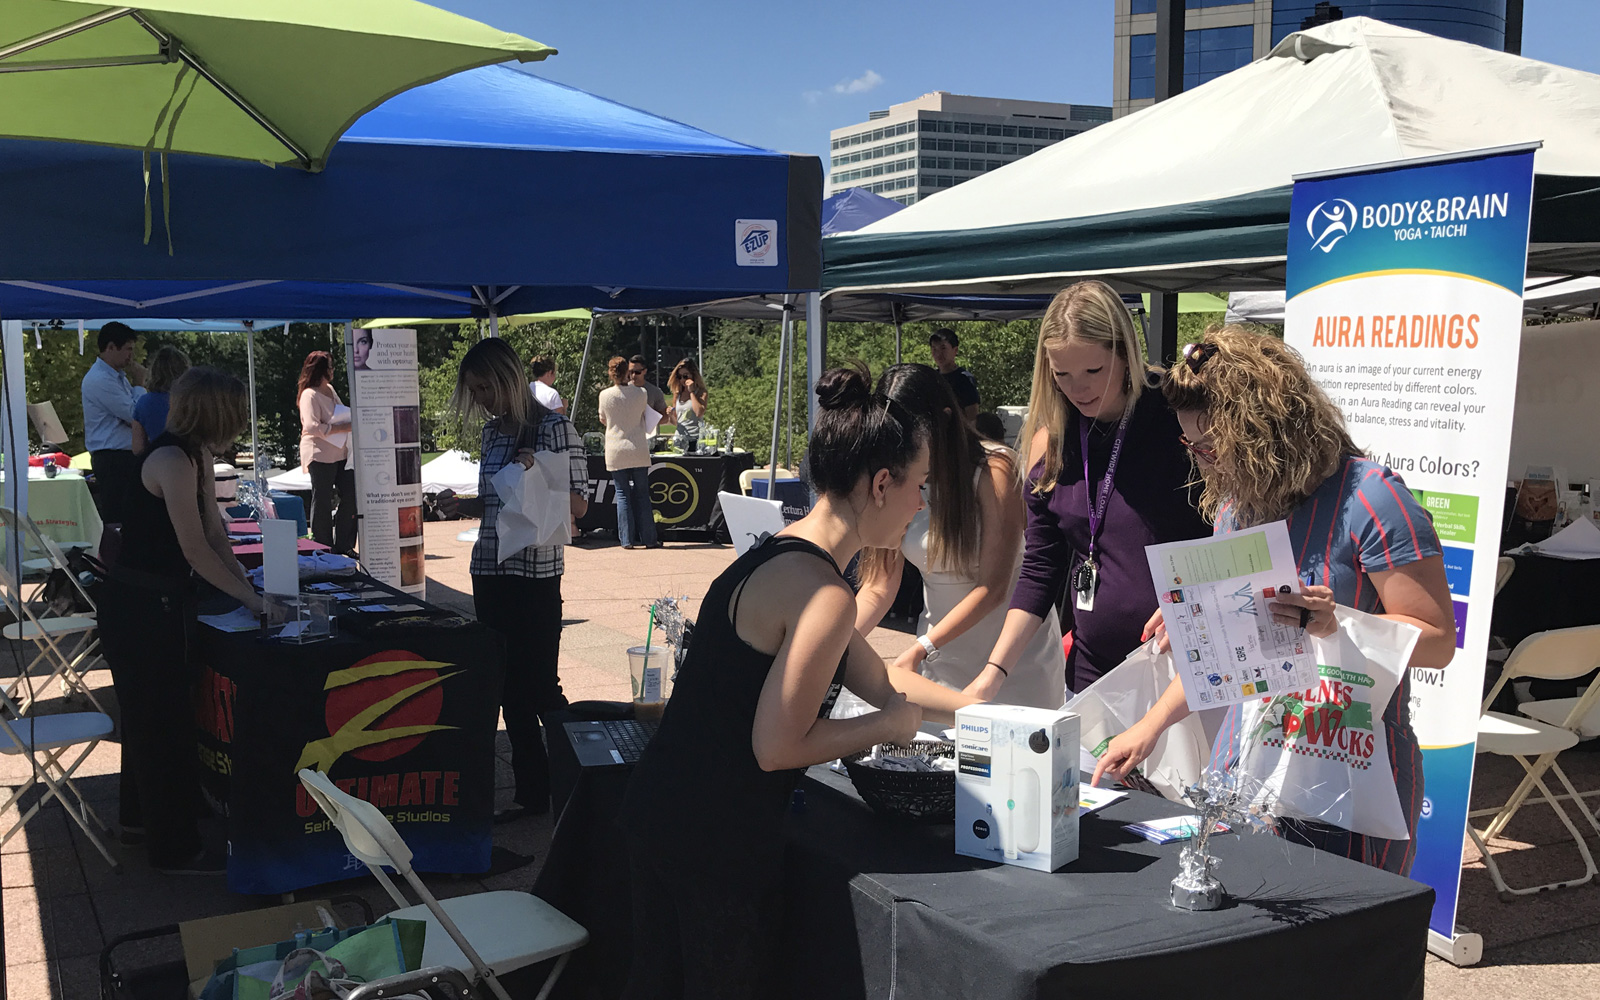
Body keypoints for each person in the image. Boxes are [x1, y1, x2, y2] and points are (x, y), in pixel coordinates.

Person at [621, 365, 979, 999]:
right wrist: (888, 728)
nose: (922, 505)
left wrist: (982, 713)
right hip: (715, 843)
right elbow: (777, 747)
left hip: (664, 815)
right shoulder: (825, 594)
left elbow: (883, 679)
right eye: (920, 487)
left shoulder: (781, 551)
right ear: (880, 484)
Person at [1093, 327, 1456, 876]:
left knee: (1350, 948)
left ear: (1264, 430)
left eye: (1213, 446)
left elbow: (1439, 643)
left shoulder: (1373, 499)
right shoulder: (1236, 509)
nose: (1203, 462)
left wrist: (1336, 622)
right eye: (1191, 445)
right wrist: (1151, 726)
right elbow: (1227, 661)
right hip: (1250, 769)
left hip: (1352, 774)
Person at [972, 280, 1209, 699]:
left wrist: (1196, 598)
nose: (1077, 388)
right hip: (1092, 672)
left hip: (1182, 669)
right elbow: (1040, 569)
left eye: (1093, 371)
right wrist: (993, 672)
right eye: (1062, 374)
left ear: (1125, 354)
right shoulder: (1055, 443)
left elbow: (1237, 525)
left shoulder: (1178, 416)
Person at [98, 367, 271, 875]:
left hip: (157, 603)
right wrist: (254, 602)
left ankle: (138, 823)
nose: (240, 423)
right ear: (217, 411)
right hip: (142, 606)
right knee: (162, 725)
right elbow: (194, 550)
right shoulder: (171, 459)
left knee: (152, 720)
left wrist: (247, 583)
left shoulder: (194, 455)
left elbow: (216, 536)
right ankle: (175, 849)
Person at [854, 364, 1064, 709]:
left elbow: (993, 587)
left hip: (1014, 667)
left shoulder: (995, 469)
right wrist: (834, 646)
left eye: (912, 435)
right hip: (937, 665)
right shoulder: (895, 476)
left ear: (945, 420)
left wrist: (923, 647)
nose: (904, 448)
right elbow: (878, 586)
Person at [441, 339, 589, 819]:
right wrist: (461, 505)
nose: (481, 398)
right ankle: (532, 792)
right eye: (474, 390)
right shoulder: (491, 433)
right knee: (507, 688)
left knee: (541, 686)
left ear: (508, 378)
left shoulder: (553, 427)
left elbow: (579, 505)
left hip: (535, 575)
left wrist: (536, 473)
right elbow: (495, 502)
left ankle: (583, 780)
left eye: (486, 387)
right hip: (489, 569)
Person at [81, 322, 147, 522]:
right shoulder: (101, 379)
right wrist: (140, 383)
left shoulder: (117, 378)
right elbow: (134, 413)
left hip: (122, 457)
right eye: (128, 349)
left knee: (132, 517)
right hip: (113, 459)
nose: (131, 356)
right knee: (119, 519)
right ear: (110, 348)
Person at [297, 351, 356, 554]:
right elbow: (312, 427)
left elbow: (340, 412)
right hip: (319, 453)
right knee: (322, 499)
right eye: (330, 367)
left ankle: (344, 544)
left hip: (340, 453)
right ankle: (322, 546)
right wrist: (340, 428)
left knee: (352, 493)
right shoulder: (309, 395)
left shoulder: (329, 389)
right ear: (321, 370)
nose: (333, 371)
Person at [599, 356, 659, 549]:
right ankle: (649, 539)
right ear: (627, 372)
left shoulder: (605, 395)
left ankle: (626, 540)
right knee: (642, 495)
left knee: (622, 494)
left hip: (616, 449)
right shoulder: (641, 393)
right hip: (638, 448)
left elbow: (603, 419)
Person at [131, 345, 189, 454]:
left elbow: (137, 448)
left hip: (156, 461)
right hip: (188, 459)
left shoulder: (143, 402)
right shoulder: (190, 402)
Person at [928, 328, 980, 421]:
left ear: (955, 350)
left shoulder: (964, 379)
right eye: (934, 349)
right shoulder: (931, 378)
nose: (938, 354)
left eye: (943, 348)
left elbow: (972, 416)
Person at [666, 358, 708, 453]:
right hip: (680, 438)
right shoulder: (677, 393)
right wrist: (671, 414)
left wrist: (691, 392)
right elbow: (676, 422)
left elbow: (699, 413)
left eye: (685, 376)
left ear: (693, 375)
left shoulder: (701, 392)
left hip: (695, 438)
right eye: (679, 377)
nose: (682, 380)